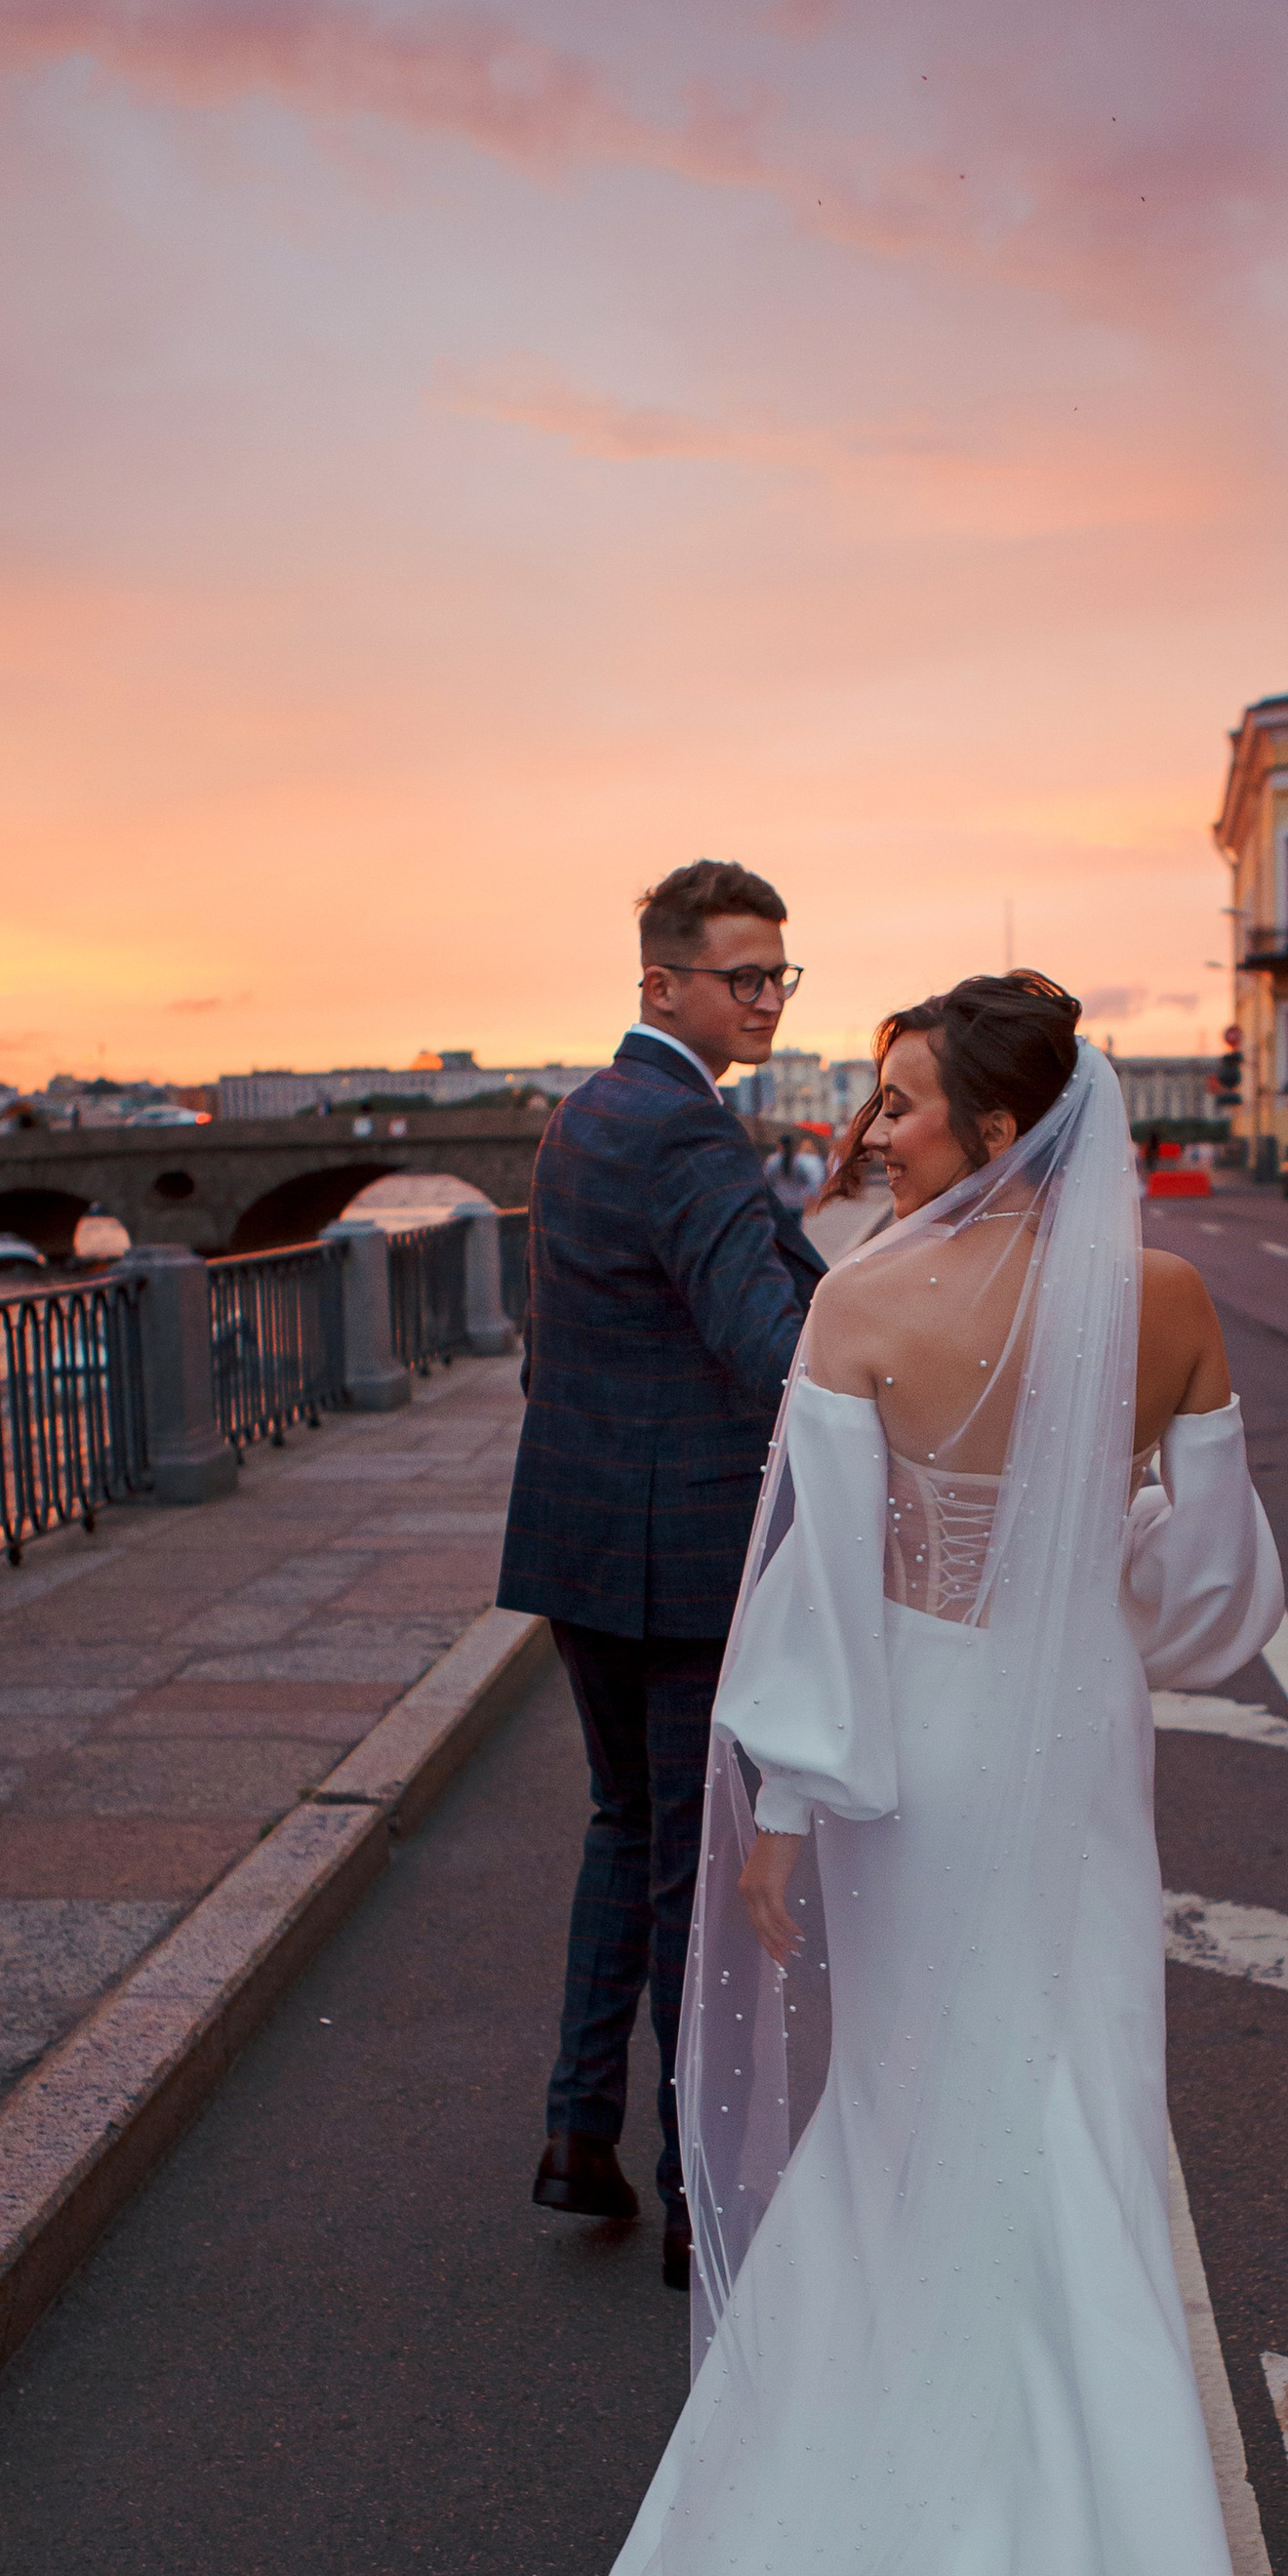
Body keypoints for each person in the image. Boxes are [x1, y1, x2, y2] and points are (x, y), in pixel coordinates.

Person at [495, 973, 1288, 2576]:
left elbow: (820, 1614)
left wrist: (784, 1809)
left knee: (901, 2139)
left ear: (986, 1113)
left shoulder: (867, 1306)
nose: (867, 1129)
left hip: (919, 1788)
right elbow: (1205, 1609)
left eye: (893, 1097)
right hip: (1069, 1767)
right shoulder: (1165, 1300)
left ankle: (881, 2530)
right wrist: (1099, 1562)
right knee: (1074, 2138)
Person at [498, 861, 825, 2292]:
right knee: (691, 1868)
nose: (764, 1000)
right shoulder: (689, 1132)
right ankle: (702, 2187)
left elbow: (556, 1331)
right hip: (683, 1551)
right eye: (742, 977)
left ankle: (580, 2137)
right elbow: (769, 1351)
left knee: (623, 1830)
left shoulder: (583, 1113)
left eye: (778, 977)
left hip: (577, 1536)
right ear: (662, 983)